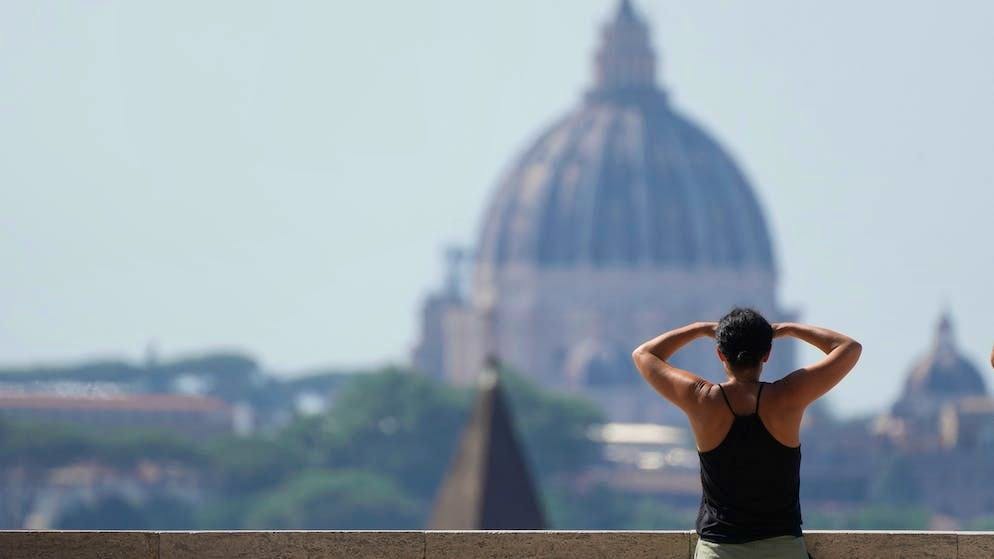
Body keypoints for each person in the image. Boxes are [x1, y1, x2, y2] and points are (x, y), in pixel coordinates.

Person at [632, 308, 861, 559]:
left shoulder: (702, 399)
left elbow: (644, 354)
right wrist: (788, 329)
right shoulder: (787, 396)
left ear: (720, 354)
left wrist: (699, 328)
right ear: (767, 355)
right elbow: (848, 348)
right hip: (782, 549)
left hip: (719, 550)